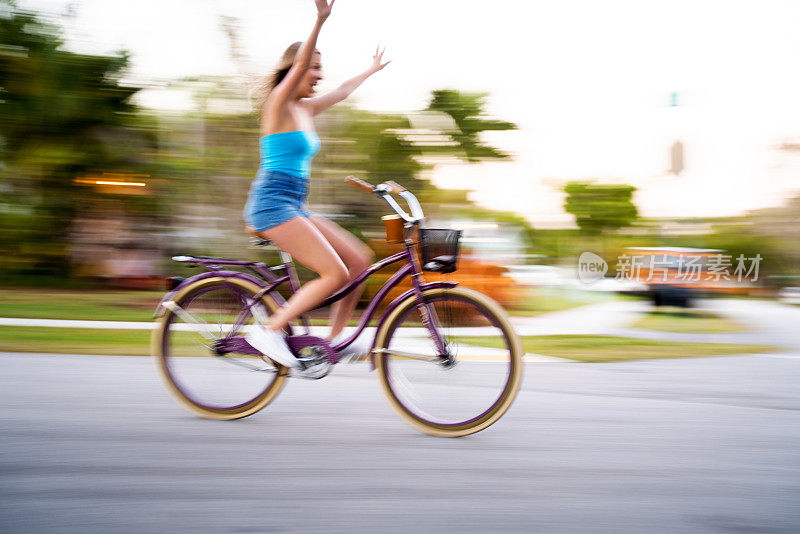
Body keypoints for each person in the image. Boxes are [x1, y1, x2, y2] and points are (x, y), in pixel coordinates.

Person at [244, 0, 390, 368]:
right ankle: (270, 330)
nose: (319, 75)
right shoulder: (278, 103)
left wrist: (370, 71)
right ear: (296, 69)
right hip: (272, 203)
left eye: (321, 68)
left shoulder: (305, 110)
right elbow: (299, 69)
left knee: (359, 261)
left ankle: (335, 339)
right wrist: (320, 21)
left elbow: (342, 90)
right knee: (334, 272)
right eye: (313, 68)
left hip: (295, 203)